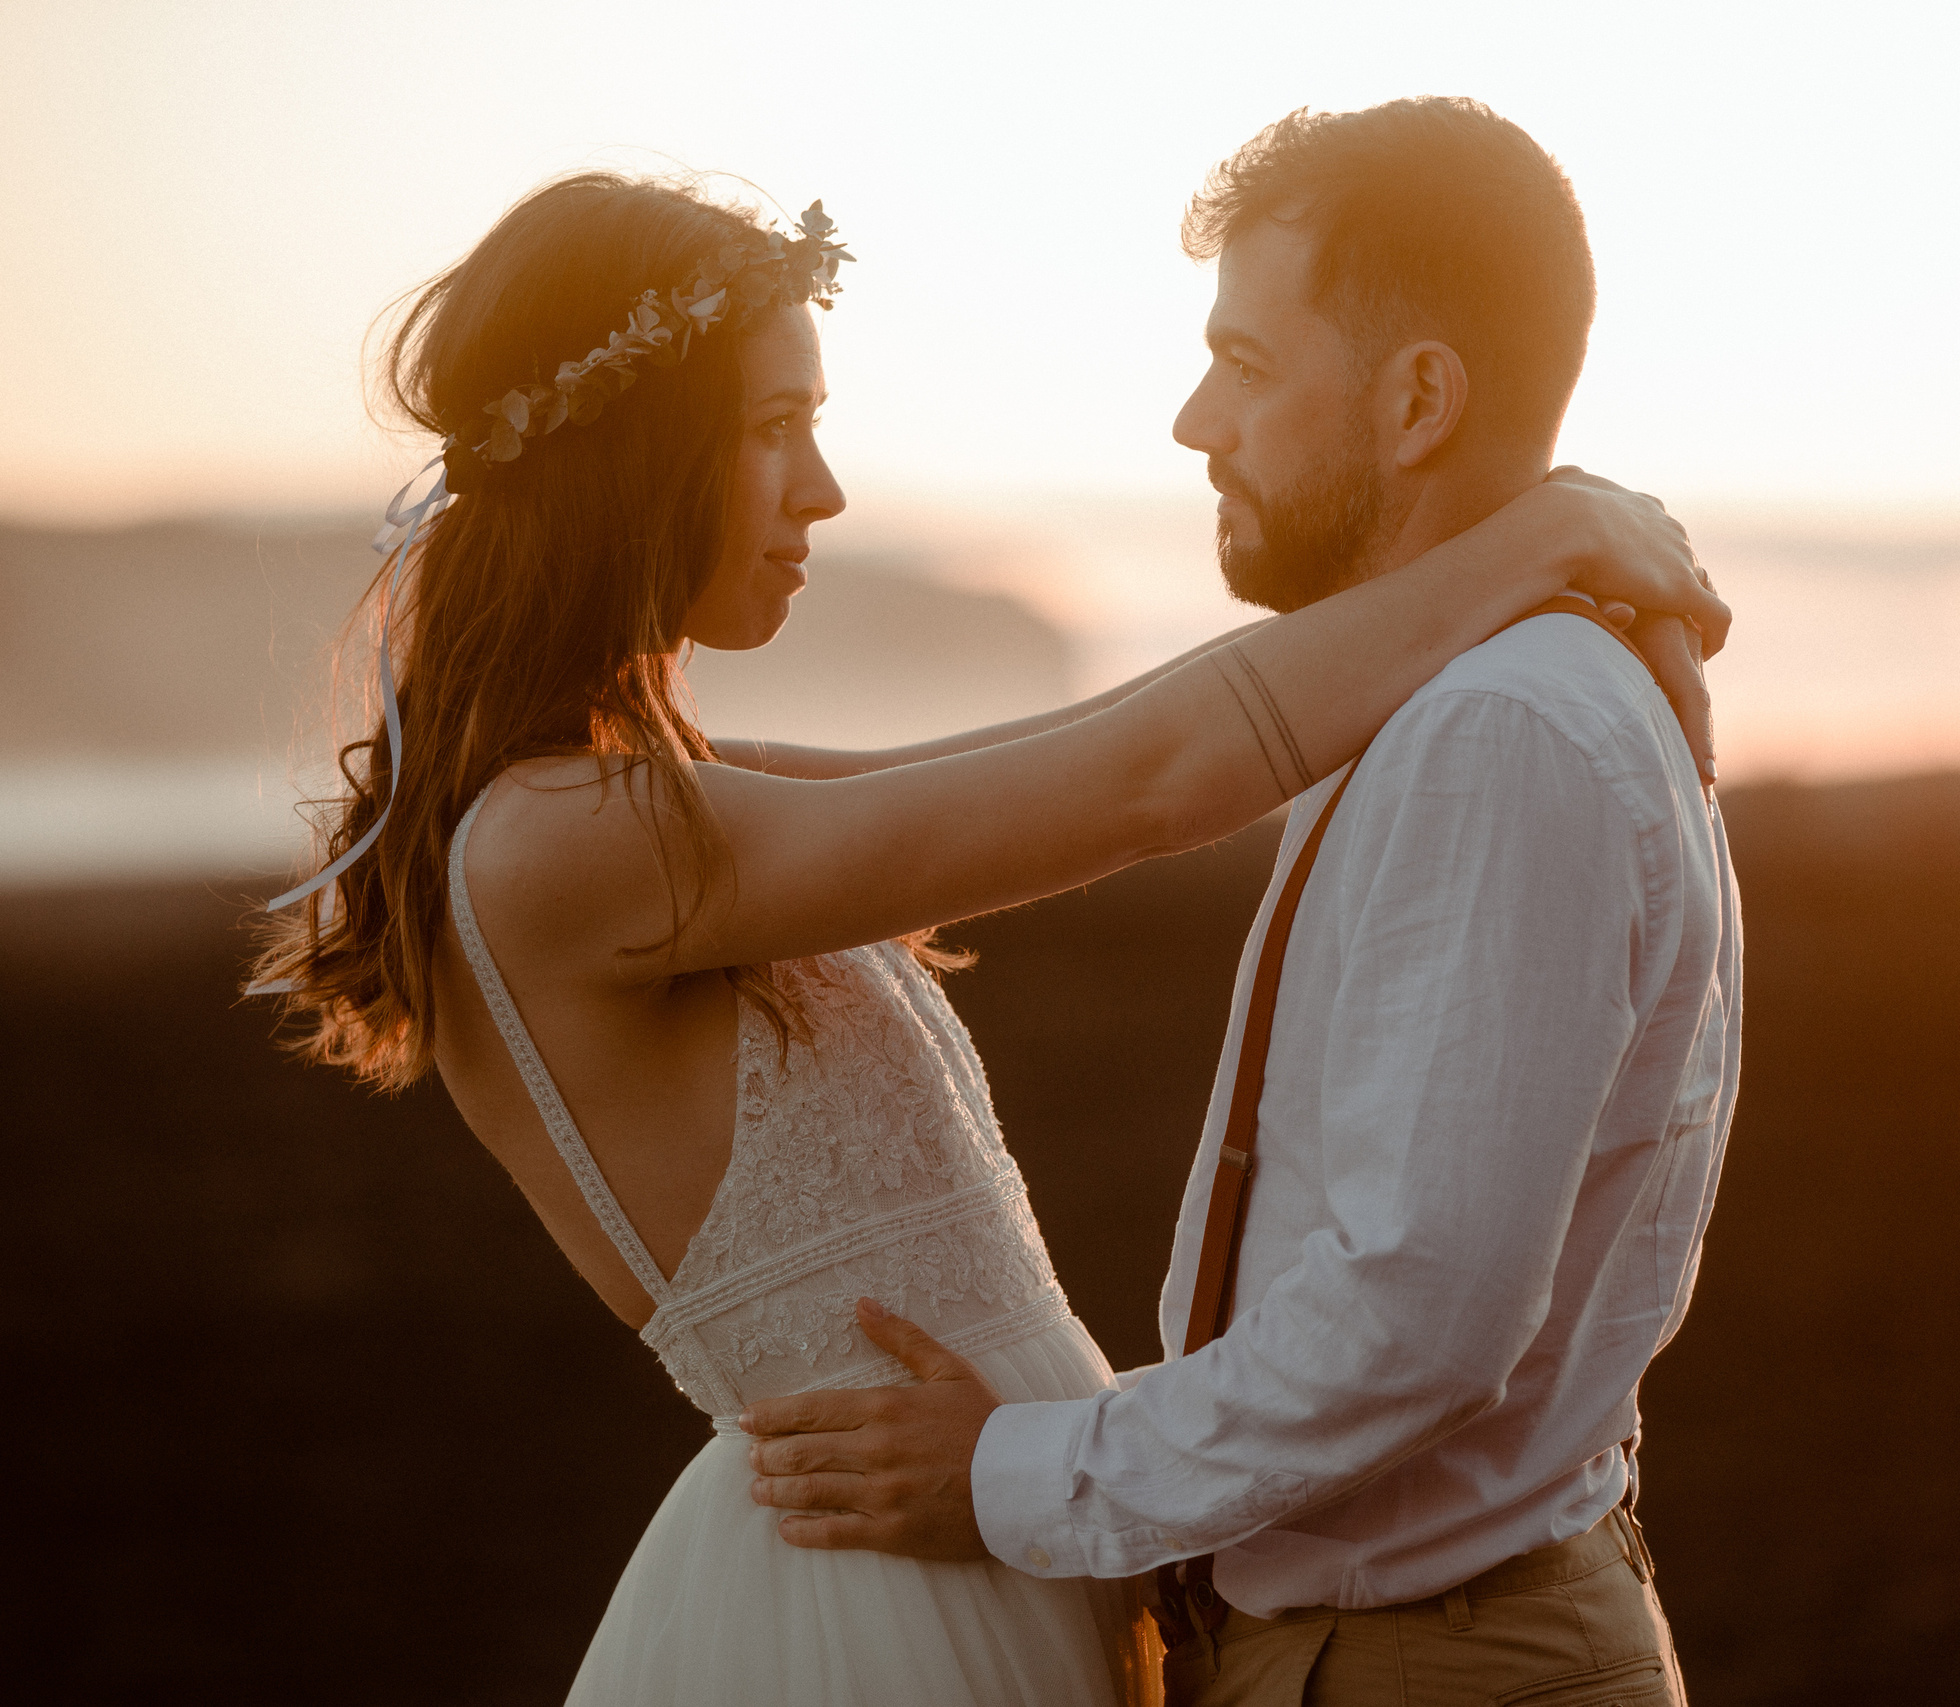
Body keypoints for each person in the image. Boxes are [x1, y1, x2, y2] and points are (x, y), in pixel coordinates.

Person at [248, 168, 1725, 1707]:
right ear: (634, 456)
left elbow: (1079, 751)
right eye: (774, 429)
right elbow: (1146, 779)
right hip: (883, 1611)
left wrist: (1533, 561)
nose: (821, 488)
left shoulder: (659, 811)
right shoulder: (561, 846)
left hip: (996, 1544)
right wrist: (1539, 537)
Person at [739, 99, 1744, 1705]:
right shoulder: (1443, 696)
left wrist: (1013, 1474)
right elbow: (1089, 755)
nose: (1199, 421)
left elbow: (1419, 1315)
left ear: (1419, 400)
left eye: (1250, 365)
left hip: (1430, 1671)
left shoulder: (1496, 730)